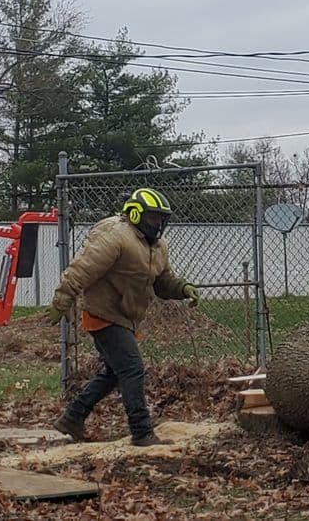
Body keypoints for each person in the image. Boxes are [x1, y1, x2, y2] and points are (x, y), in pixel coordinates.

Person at [46, 187, 200, 447]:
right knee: (132, 369)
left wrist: (183, 288)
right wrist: (62, 300)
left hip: (126, 317)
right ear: (136, 213)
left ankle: (72, 417)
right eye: (153, 217)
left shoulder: (158, 247)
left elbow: (163, 281)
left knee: (114, 373)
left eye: (161, 218)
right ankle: (142, 432)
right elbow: (82, 269)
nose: (158, 223)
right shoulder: (116, 236)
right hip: (103, 314)